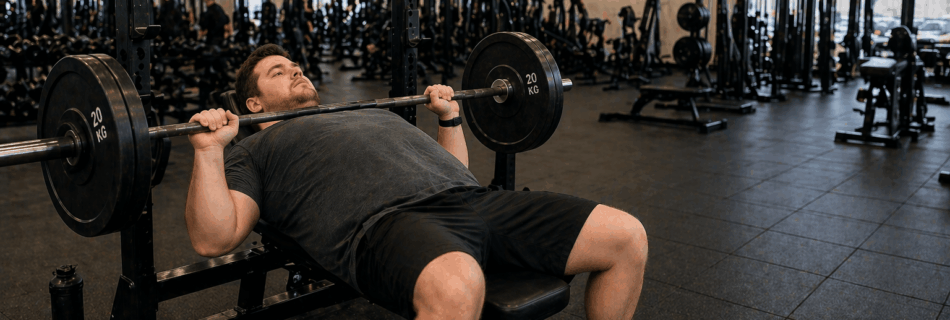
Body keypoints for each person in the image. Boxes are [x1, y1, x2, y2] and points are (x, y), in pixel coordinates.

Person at [185, 44, 648, 320]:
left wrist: (449, 119)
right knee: (458, 285)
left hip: (471, 201)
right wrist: (209, 150)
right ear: (254, 105)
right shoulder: (254, 149)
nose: (296, 71)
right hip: (382, 224)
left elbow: (458, 172)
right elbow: (214, 238)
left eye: (295, 66)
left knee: (626, 236)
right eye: (278, 73)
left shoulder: (363, 110)